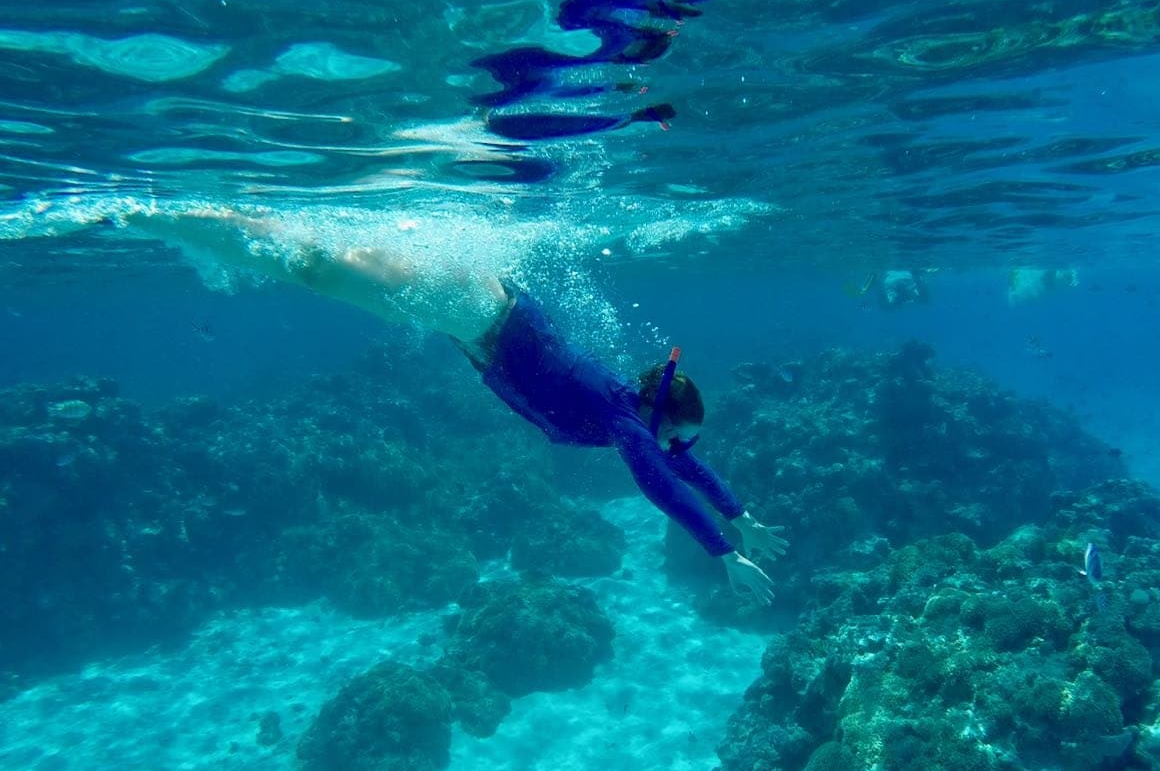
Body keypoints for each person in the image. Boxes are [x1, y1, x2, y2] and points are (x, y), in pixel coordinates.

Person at [111, 206, 787, 603]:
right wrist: (723, 551)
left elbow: (683, 466)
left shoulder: (634, 415)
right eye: (676, 435)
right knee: (315, 267)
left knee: (325, 265)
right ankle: (173, 211)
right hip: (473, 311)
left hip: (477, 313)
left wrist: (741, 513)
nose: (677, 448)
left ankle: (220, 211)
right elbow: (665, 489)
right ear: (660, 417)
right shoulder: (626, 425)